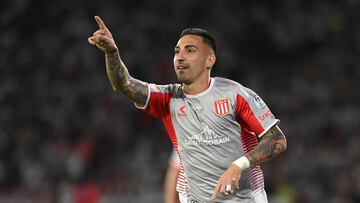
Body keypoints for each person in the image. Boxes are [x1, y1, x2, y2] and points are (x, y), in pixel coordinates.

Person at [88, 16, 287, 203]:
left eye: (190, 50)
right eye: (176, 51)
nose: (180, 57)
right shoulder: (167, 98)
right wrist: (112, 53)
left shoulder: (235, 94)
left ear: (210, 60)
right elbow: (125, 84)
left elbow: (277, 140)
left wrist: (239, 165)